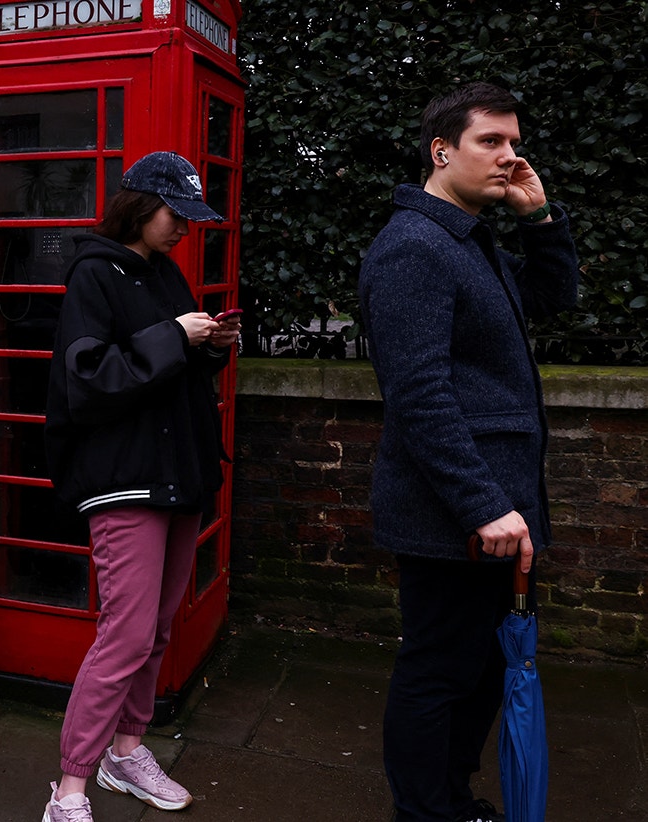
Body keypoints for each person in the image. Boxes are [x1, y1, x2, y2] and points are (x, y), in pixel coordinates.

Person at [359, 82, 579, 822]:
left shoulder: (468, 240)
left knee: (483, 669)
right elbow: (418, 396)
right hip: (451, 513)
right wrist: (484, 505)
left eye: (515, 142)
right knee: (437, 672)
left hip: (495, 509)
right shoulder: (414, 248)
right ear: (441, 149)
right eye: (491, 141)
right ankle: (423, 812)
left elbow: (552, 299)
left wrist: (540, 217)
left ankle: (450, 800)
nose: (510, 157)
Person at [40, 152, 237, 821]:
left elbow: (169, 368)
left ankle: (127, 751)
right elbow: (89, 379)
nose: (185, 226)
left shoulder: (165, 273)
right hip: (123, 477)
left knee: (155, 629)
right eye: (174, 213)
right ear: (138, 206)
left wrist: (207, 344)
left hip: (180, 470)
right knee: (124, 634)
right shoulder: (94, 275)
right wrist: (173, 336)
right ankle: (68, 789)